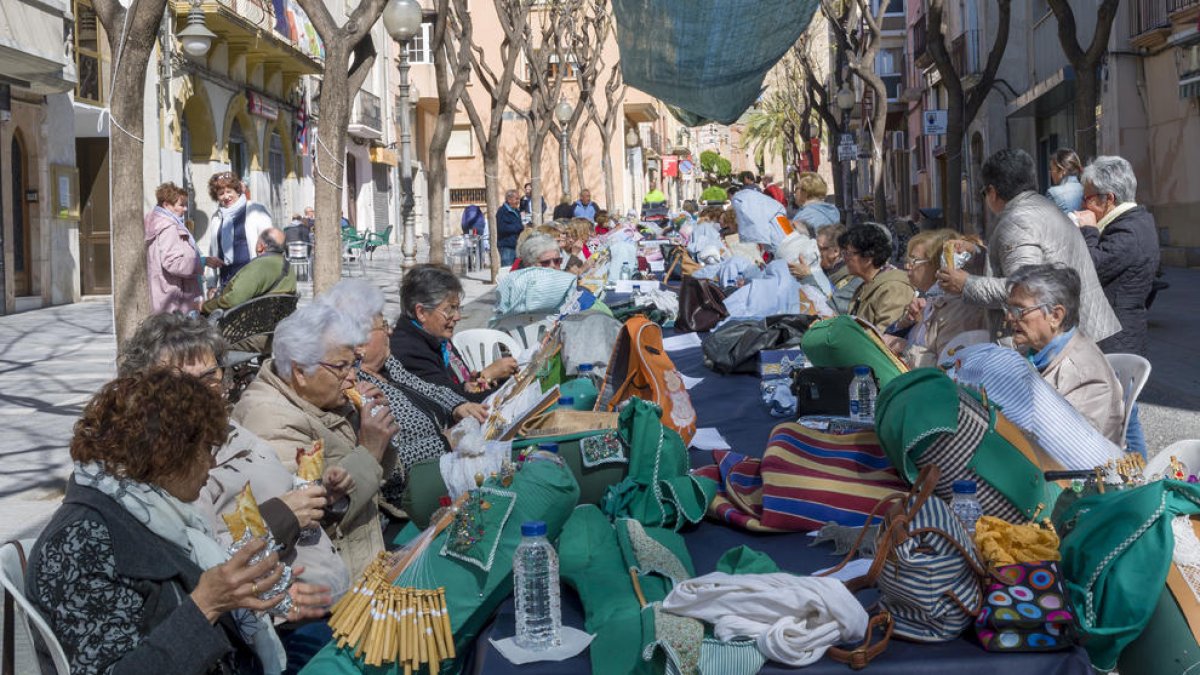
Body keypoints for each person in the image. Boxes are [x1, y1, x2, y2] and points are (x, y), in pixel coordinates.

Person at [26, 370, 331, 675]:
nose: (212, 463)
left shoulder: (153, 513)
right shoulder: (79, 542)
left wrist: (245, 594)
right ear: (167, 453)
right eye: (206, 448)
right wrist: (206, 604)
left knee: (338, 644)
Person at [118, 313, 350, 602]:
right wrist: (283, 516)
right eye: (181, 382)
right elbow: (197, 561)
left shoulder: (233, 432)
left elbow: (291, 503)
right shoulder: (165, 467)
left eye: (210, 377)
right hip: (279, 618)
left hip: (334, 597)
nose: (200, 391)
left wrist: (323, 499)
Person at [233, 304, 397, 578]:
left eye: (354, 363)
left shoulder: (321, 398)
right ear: (300, 371)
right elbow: (310, 523)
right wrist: (369, 450)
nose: (353, 376)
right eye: (341, 366)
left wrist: (379, 434)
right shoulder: (270, 418)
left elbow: (381, 477)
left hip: (367, 557)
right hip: (330, 587)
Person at [317, 280, 487, 510]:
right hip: (409, 491)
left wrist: (458, 406)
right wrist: (444, 442)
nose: (390, 330)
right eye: (383, 325)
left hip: (447, 460)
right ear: (361, 340)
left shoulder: (387, 365)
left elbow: (427, 388)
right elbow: (391, 460)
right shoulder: (355, 387)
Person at [937, 148, 1120, 344]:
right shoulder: (1040, 208)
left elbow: (1024, 289)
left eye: (984, 193)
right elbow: (1031, 263)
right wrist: (978, 253)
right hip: (1079, 330)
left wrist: (966, 284)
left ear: (992, 192)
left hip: (1060, 341)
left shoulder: (1017, 222)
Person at [1074, 156, 1160, 455]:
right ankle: (1137, 477)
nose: (1083, 207)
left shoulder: (1128, 230)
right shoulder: (1132, 223)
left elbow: (1091, 265)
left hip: (1117, 338)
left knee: (1122, 420)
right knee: (1123, 417)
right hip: (1122, 332)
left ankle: (1139, 479)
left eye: (1086, 199)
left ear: (1108, 198)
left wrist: (1087, 230)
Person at [1006, 264, 1125, 446]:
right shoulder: (1030, 351)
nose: (1009, 317)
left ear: (1055, 316)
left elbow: (1067, 447)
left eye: (1019, 310)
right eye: (1009, 308)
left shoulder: (1082, 374)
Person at [390, 264, 519, 403]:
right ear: (421, 312)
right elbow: (454, 404)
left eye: (458, 308)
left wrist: (473, 383)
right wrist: (511, 387)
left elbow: (453, 389)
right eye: (449, 310)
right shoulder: (410, 352)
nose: (457, 317)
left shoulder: (438, 338)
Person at [886, 229, 987, 368]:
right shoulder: (930, 300)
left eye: (914, 260)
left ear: (936, 264)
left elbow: (948, 369)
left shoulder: (958, 309)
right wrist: (907, 322)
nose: (907, 266)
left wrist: (905, 348)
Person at [145, 181, 210, 314]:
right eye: (181, 205)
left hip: (168, 295)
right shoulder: (168, 227)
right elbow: (173, 263)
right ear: (166, 205)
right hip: (175, 300)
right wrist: (202, 262)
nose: (185, 209)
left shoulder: (158, 222)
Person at [201, 228, 297, 316]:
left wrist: (204, 307)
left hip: (247, 327)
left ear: (260, 246)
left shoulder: (259, 266)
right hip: (275, 324)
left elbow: (233, 300)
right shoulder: (288, 267)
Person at [839, 224, 915, 333]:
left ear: (868, 257)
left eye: (848, 254)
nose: (844, 259)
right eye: (844, 253)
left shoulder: (893, 288)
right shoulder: (866, 284)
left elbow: (886, 336)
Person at [208, 172, 273, 287]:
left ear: (237, 191)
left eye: (229, 191)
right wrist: (211, 284)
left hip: (252, 279)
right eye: (221, 193)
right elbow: (213, 250)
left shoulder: (256, 210)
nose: (226, 196)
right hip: (226, 280)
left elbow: (270, 245)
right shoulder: (216, 217)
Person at [494, 234, 579, 319]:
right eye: (545, 263)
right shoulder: (515, 285)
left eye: (557, 261)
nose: (553, 266)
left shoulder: (565, 282)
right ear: (529, 264)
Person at [788, 224, 861, 314]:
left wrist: (806, 277)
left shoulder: (851, 278)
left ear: (835, 251)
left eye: (819, 248)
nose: (814, 250)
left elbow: (830, 307)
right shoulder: (822, 268)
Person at [1047, 148, 1084, 214]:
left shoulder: (1053, 193)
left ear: (1062, 170)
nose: (1050, 173)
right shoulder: (1087, 190)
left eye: (1052, 169)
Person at [496, 189, 524, 267]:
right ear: (509, 199)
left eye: (519, 199)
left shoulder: (516, 210)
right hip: (507, 246)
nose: (518, 201)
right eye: (516, 199)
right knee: (507, 271)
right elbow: (502, 228)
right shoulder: (502, 211)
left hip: (516, 245)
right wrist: (519, 227)